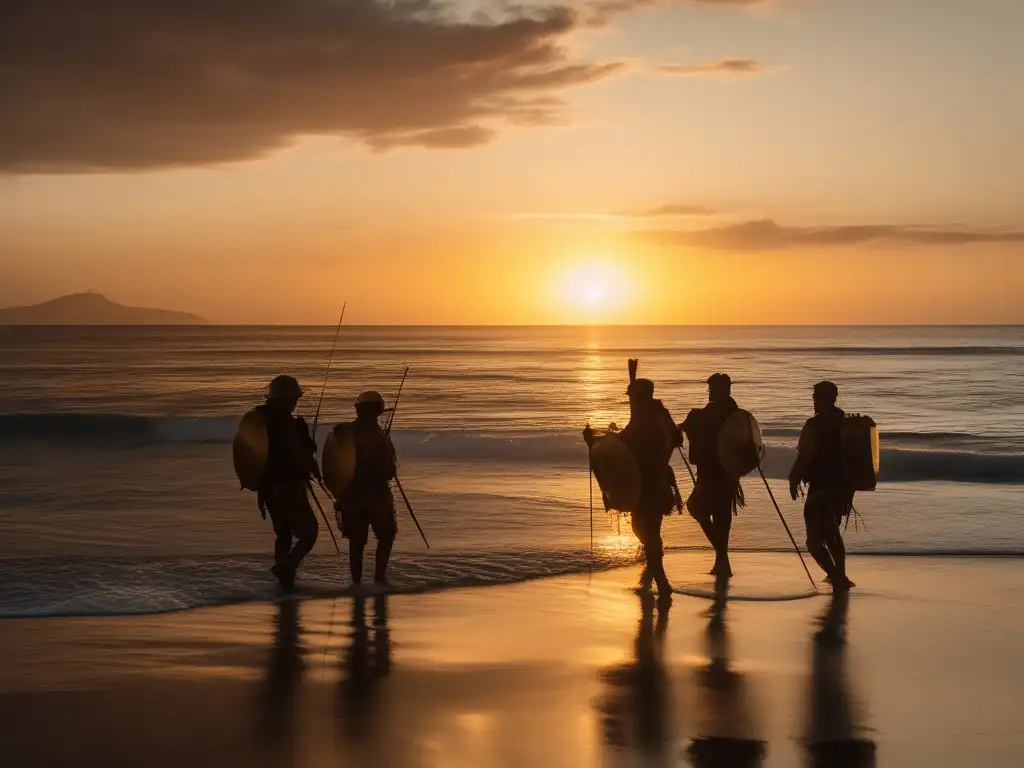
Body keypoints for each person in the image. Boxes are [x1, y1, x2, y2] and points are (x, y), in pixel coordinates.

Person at [585, 371, 679, 601]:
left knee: (646, 530)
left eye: (633, 398)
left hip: (647, 483)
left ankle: (661, 580)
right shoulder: (661, 415)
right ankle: (654, 566)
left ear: (641, 397)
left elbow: (625, 441)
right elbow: (672, 438)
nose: (631, 401)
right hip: (657, 480)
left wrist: (594, 439)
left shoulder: (645, 419)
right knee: (645, 529)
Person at [256, 375, 321, 592]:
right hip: (288, 487)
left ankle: (285, 584)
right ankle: (288, 568)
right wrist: (310, 465)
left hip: (268, 489)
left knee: (283, 533)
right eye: (293, 398)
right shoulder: (286, 423)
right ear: (285, 399)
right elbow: (295, 454)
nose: (295, 403)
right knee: (309, 533)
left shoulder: (260, 421)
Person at [789, 381, 855, 591]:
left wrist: (793, 478)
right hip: (842, 490)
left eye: (817, 397)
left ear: (829, 398)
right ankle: (840, 575)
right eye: (814, 396)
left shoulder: (814, 425)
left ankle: (837, 578)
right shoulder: (845, 423)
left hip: (820, 490)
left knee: (814, 542)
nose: (814, 401)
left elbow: (806, 455)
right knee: (833, 534)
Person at [680, 373, 745, 579]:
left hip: (716, 473)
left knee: (699, 509)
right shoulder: (733, 414)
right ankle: (722, 562)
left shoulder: (732, 415)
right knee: (719, 518)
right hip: (724, 474)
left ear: (726, 389)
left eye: (714, 388)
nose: (710, 392)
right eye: (709, 388)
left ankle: (722, 558)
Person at [335, 391, 398, 588]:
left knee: (357, 540)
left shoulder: (346, 433)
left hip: (352, 495)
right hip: (375, 494)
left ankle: (357, 583)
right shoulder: (379, 436)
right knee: (386, 535)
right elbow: (389, 471)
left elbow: (335, 465)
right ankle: (379, 578)